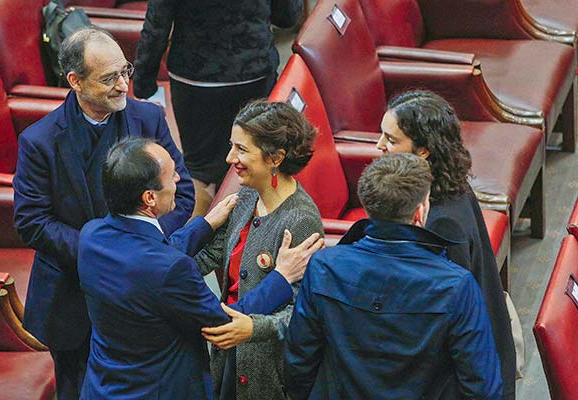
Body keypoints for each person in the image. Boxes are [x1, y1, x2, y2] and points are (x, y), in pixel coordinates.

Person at [12, 27, 194, 400]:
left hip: (144, 290)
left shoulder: (149, 119)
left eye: (124, 71)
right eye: (110, 78)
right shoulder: (40, 141)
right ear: (75, 81)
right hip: (73, 294)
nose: (124, 85)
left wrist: (136, 252)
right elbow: (32, 220)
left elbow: (184, 193)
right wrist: (100, 254)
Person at [78, 138, 322, 399]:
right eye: (172, 176)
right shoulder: (171, 268)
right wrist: (281, 277)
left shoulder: (91, 235)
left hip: (102, 386)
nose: (179, 181)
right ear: (150, 197)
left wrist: (205, 224)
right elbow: (225, 321)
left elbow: (148, 255)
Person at [284, 153, 503, 399]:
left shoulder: (323, 267)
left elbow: (299, 361)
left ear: (367, 207)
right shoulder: (457, 286)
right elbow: (482, 386)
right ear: (420, 212)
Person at [374, 90, 516, 399]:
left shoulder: (440, 222)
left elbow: (448, 319)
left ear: (423, 150)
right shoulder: (451, 187)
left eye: (391, 140)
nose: (379, 147)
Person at [194, 100, 324, 400]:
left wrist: (253, 329)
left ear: (275, 157)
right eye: (231, 146)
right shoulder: (247, 194)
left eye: (241, 149)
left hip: (267, 369)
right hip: (227, 352)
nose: (230, 158)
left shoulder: (301, 220)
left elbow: (306, 313)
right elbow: (214, 255)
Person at [133, 0, 303, 216]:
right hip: (253, 72)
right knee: (256, 160)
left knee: (199, 171)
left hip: (195, 78)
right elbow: (287, 17)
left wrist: (143, 82)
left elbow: (157, 26)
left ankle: (193, 242)